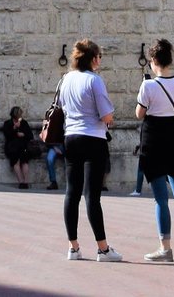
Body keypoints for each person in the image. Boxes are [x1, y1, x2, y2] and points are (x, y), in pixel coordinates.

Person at [55, 38, 124, 262]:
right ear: (94, 58)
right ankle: (103, 249)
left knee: (71, 193)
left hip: (70, 137)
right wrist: (109, 118)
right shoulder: (95, 81)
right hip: (93, 138)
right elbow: (106, 116)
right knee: (92, 197)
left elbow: (62, 108)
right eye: (100, 57)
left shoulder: (65, 80)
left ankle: (73, 248)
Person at [135, 38, 174, 262]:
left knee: (161, 199)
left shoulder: (148, 85)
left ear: (153, 61)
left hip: (153, 141)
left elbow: (140, 114)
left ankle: (165, 248)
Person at [2, 105, 36, 188]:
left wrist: (23, 134)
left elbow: (30, 135)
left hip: (23, 146)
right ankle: (21, 182)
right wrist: (14, 128)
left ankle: (26, 182)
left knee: (24, 161)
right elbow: (7, 135)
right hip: (12, 147)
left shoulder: (24, 123)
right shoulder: (7, 123)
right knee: (15, 161)